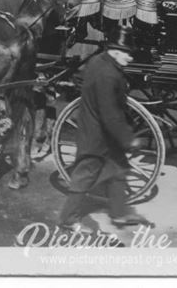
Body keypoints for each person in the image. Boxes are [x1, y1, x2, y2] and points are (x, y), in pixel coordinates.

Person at [58, 27, 150, 230]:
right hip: (97, 136)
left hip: (98, 131)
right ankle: (67, 218)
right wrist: (128, 139)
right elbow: (111, 114)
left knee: (118, 169)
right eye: (127, 53)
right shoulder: (108, 75)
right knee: (85, 174)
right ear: (115, 51)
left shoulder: (99, 61)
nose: (130, 58)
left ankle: (118, 214)